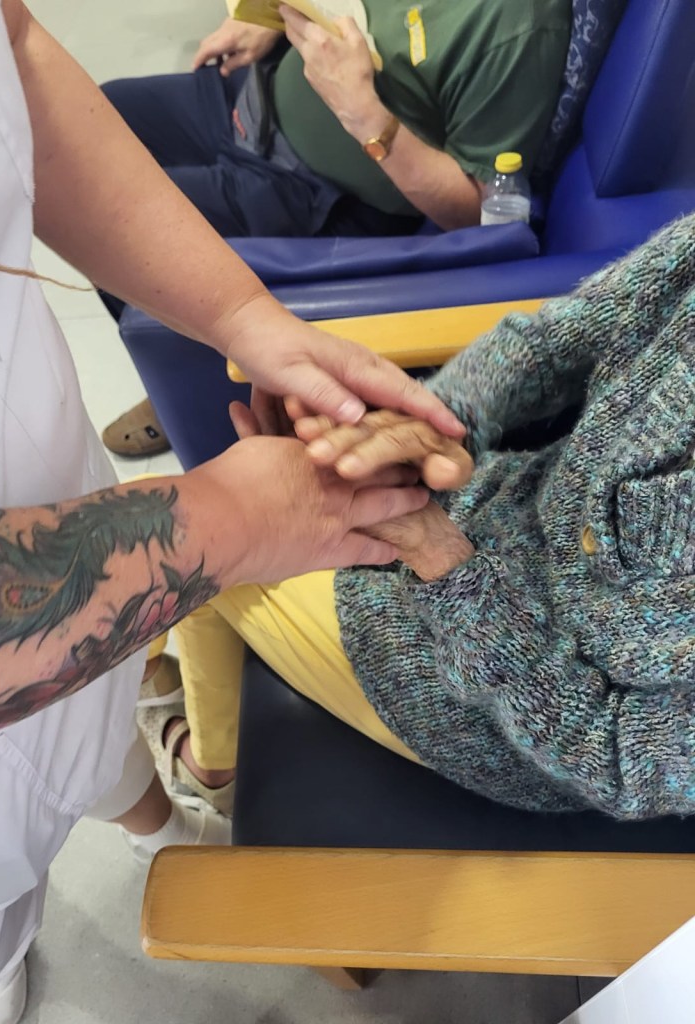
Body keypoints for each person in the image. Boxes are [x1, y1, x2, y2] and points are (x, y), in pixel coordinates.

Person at [0, 1, 464, 1020]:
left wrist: (245, 316)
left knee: (106, 732)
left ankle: (159, 818)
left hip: (71, 531)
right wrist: (221, 523)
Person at [154, 212, 695, 823]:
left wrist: (444, 562)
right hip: (483, 501)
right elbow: (557, 342)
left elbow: (617, 758)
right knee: (230, 504)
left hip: (487, 702)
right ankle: (194, 728)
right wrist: (435, 423)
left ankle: (210, 770)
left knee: (195, 552)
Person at [100, 0, 571, 455]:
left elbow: (476, 211)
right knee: (100, 122)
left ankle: (184, 372)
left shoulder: (517, 28)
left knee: (114, 221)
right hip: (258, 92)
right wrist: (269, 20)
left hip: (313, 191)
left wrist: (364, 114)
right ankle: (175, 352)